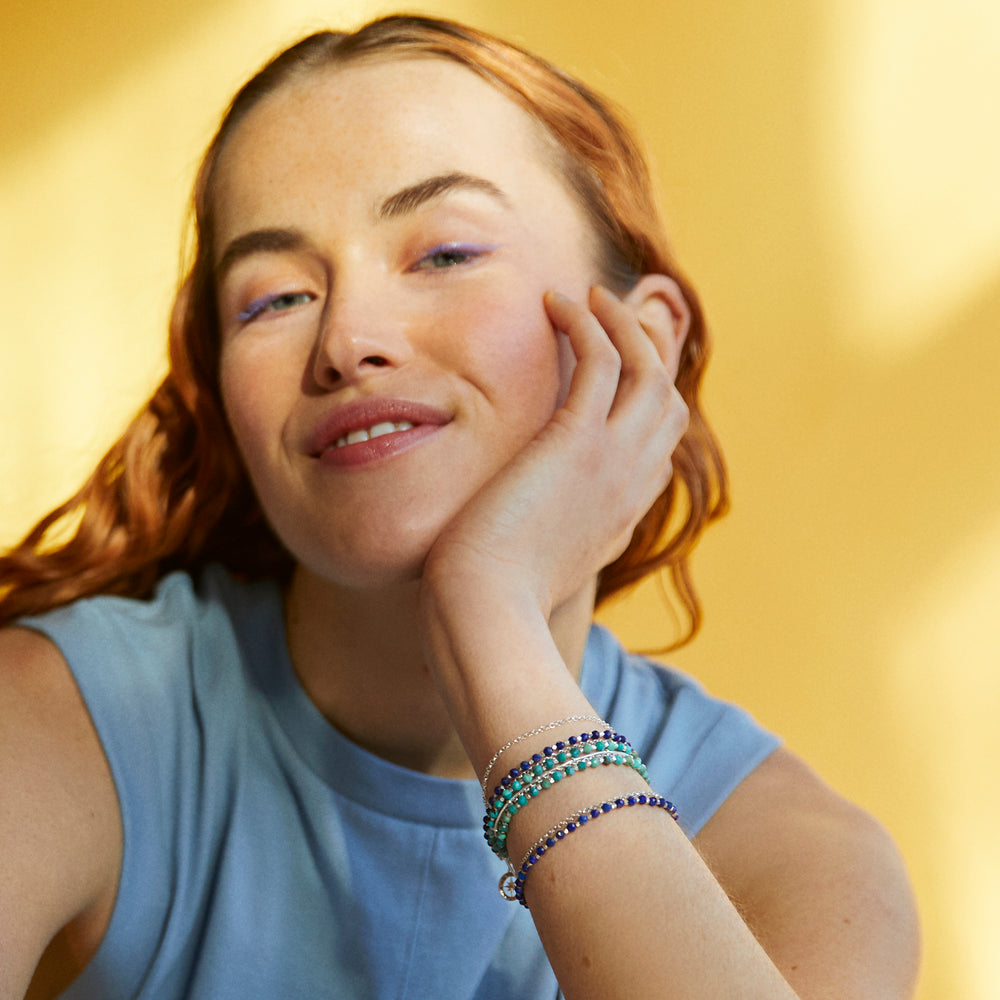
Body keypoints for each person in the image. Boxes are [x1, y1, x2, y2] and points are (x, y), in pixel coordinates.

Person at [0, 14, 919, 1000]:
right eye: (271, 299)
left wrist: (489, 619)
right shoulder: (51, 725)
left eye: (443, 254)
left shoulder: (800, 861)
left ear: (636, 343)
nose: (348, 338)